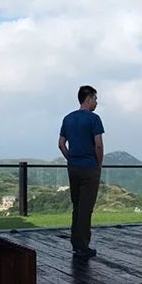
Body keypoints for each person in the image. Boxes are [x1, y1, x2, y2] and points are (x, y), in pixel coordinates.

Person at [58, 85, 104, 260]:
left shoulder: (67, 119)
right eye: (95, 99)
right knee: (86, 208)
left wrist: (71, 158)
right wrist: (98, 164)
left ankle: (75, 242)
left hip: (73, 167)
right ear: (89, 98)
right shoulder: (94, 119)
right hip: (89, 167)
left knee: (77, 205)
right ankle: (82, 245)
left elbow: (61, 144)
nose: (96, 103)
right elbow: (98, 144)